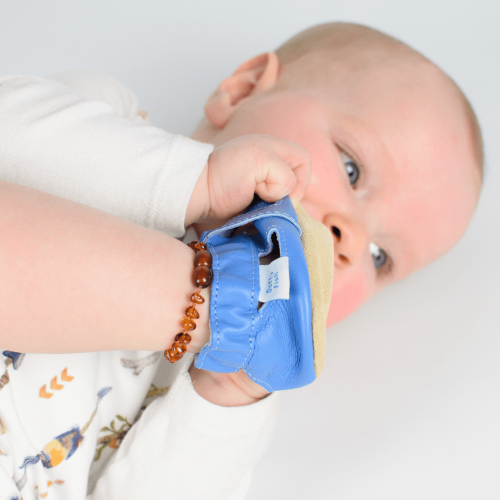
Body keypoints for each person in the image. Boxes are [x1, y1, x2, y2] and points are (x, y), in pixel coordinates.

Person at [0, 22, 482, 499]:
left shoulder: (232, 402)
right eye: (351, 169)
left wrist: (228, 395)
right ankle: (215, 300)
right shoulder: (108, 121)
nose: (348, 238)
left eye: (379, 257)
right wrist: (193, 183)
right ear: (243, 89)